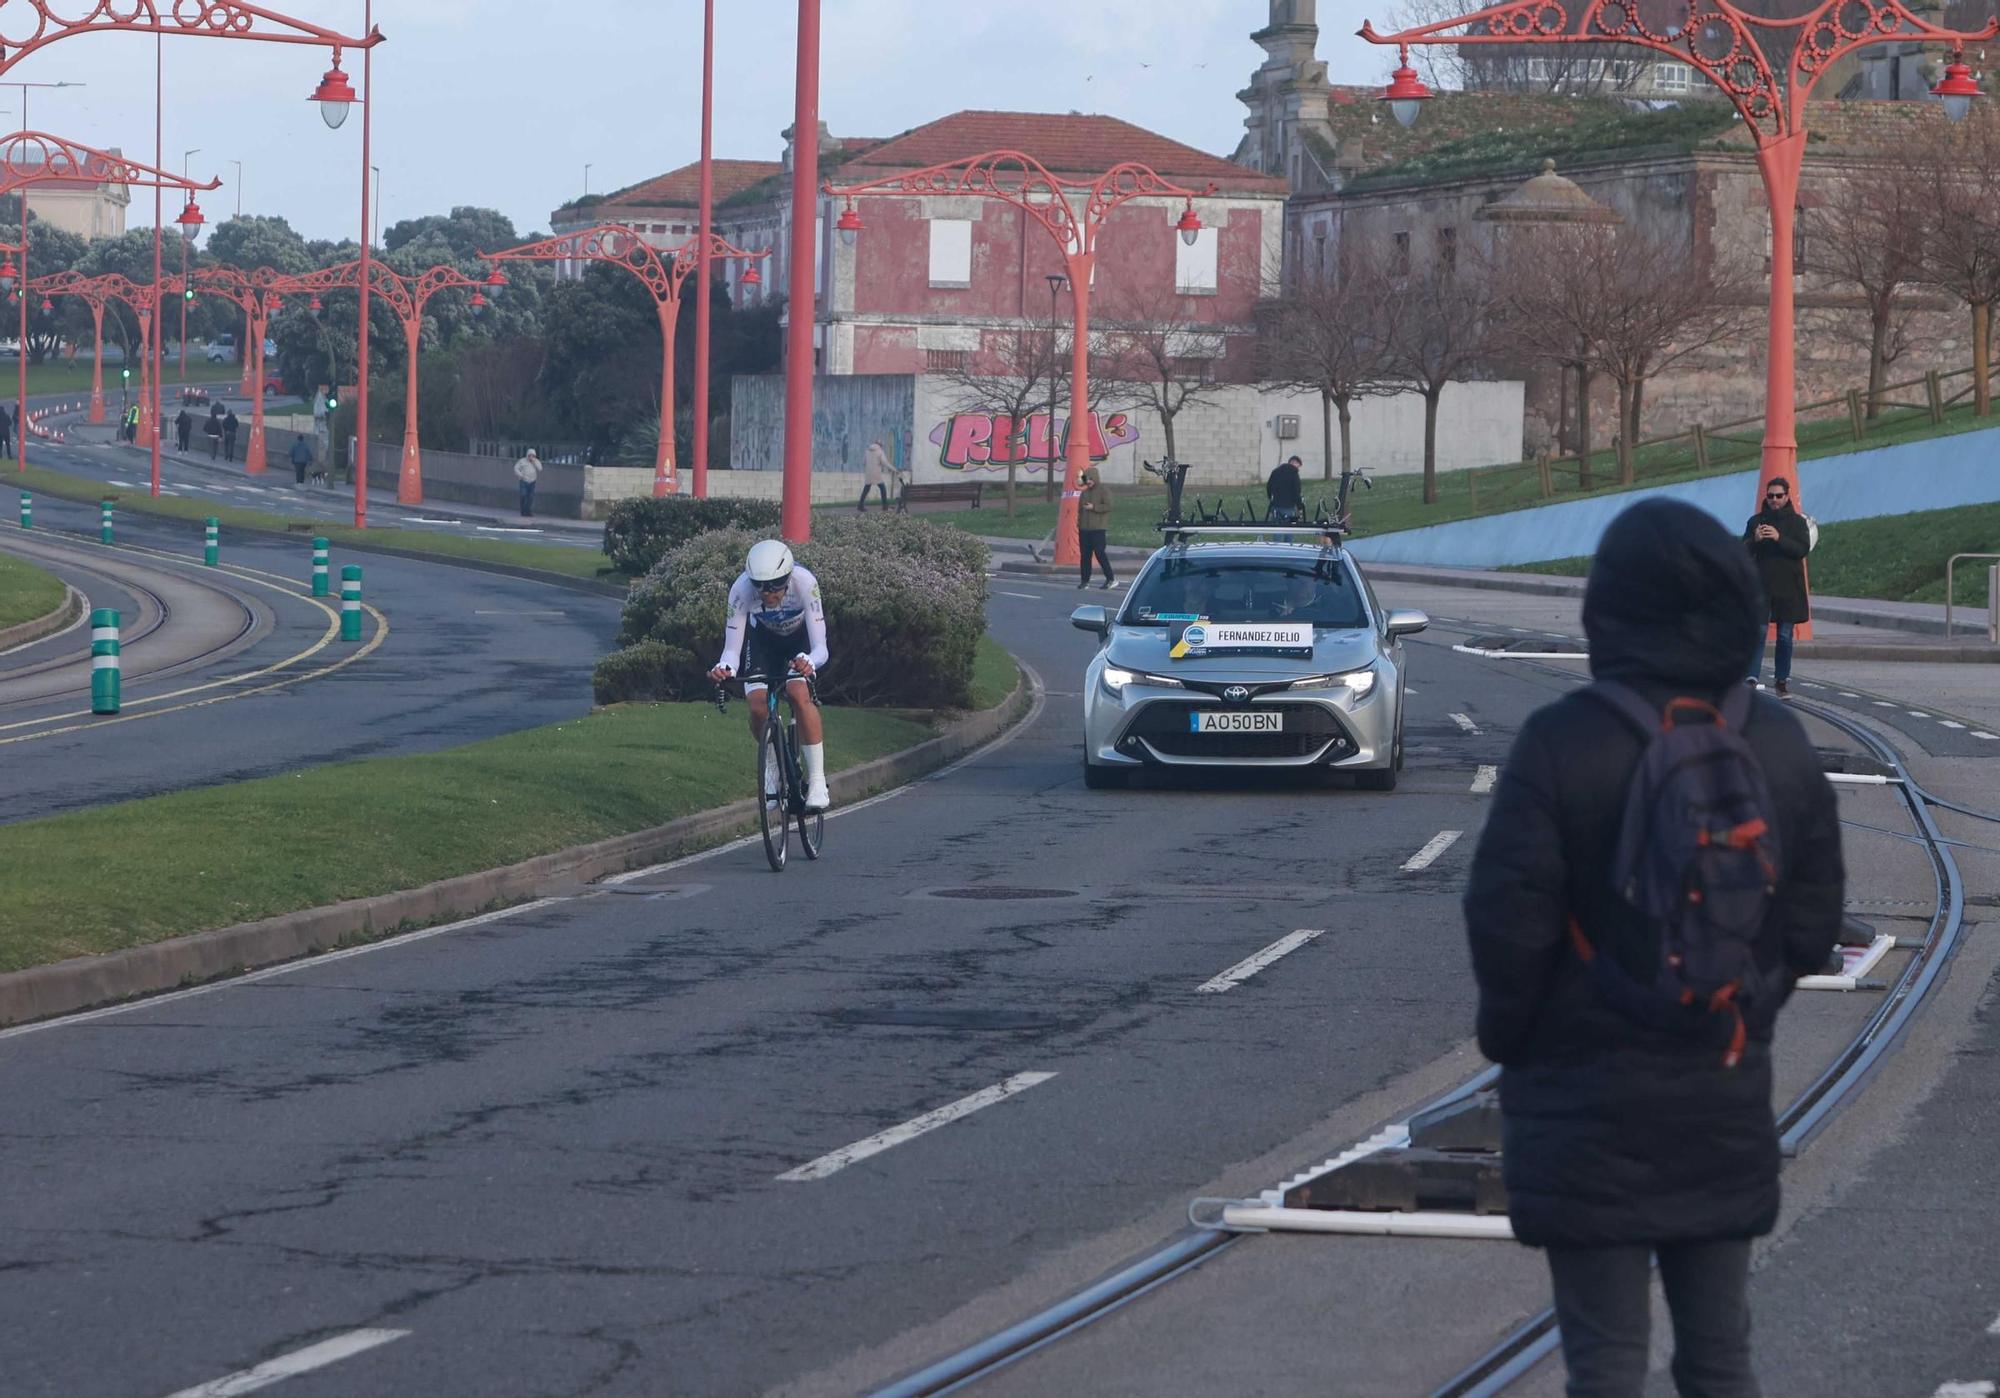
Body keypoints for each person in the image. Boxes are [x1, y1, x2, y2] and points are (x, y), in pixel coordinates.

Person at [1465, 497, 1844, 1398]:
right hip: (1721, 1086)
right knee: (1720, 1358)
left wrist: (1516, 1041)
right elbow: (1814, 923)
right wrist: (1743, 1001)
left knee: (1604, 1362)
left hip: (1582, 1099)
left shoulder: (1562, 741)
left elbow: (1506, 918)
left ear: (1608, 606)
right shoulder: (1777, 741)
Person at [707, 540, 832, 811]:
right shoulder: (740, 590)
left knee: (798, 693)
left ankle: (817, 781)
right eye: (760, 586)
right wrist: (725, 668)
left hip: (799, 641)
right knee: (756, 704)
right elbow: (732, 650)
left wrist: (809, 661)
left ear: (787, 577)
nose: (767, 593)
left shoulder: (805, 583)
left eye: (775, 585)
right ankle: (772, 766)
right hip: (763, 642)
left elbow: (821, 648)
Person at [1743, 475, 1810, 698]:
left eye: (1778, 496)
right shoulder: (1756, 521)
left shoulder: (1797, 522)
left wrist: (1779, 537)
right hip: (1762, 586)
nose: (1774, 500)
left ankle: (1781, 681)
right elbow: (1742, 551)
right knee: (1759, 632)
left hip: (1788, 587)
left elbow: (1801, 549)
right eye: (1770, 496)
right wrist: (1754, 540)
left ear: (1787, 496)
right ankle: (1751, 678)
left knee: (1784, 636)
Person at [1077, 465, 1115, 590]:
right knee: (1085, 555)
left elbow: (1108, 506)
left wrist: (1094, 507)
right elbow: (1080, 510)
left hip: (1098, 528)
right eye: (1086, 479)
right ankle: (1085, 581)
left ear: (1095, 478)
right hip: (1084, 529)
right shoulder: (1084, 493)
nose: (1088, 482)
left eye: (1090, 479)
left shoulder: (1104, 490)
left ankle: (1110, 578)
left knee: (1099, 553)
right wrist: (1079, 523)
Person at [1266, 453, 1305, 524]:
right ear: (1294, 462)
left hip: (1275, 505)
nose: (1298, 469)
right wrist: (1299, 506)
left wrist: (1271, 498)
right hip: (1288, 507)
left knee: (1276, 527)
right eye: (1298, 466)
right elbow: (1296, 492)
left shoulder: (1275, 471)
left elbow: (1269, 487)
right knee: (1288, 528)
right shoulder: (1294, 474)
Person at [860, 439, 891, 512]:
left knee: (866, 489)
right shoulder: (880, 451)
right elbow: (885, 463)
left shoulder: (867, 451)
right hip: (877, 474)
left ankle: (860, 505)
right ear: (880, 445)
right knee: (883, 489)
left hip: (868, 474)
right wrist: (894, 469)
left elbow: (863, 462)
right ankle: (885, 506)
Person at [513, 448, 542, 517]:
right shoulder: (522, 461)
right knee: (523, 495)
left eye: (533, 455)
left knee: (530, 497)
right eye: (530, 455)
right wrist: (520, 475)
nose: (531, 457)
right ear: (527, 455)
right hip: (524, 480)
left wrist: (534, 462)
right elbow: (516, 468)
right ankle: (523, 510)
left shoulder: (536, 461)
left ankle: (528, 511)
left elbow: (540, 469)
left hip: (532, 481)